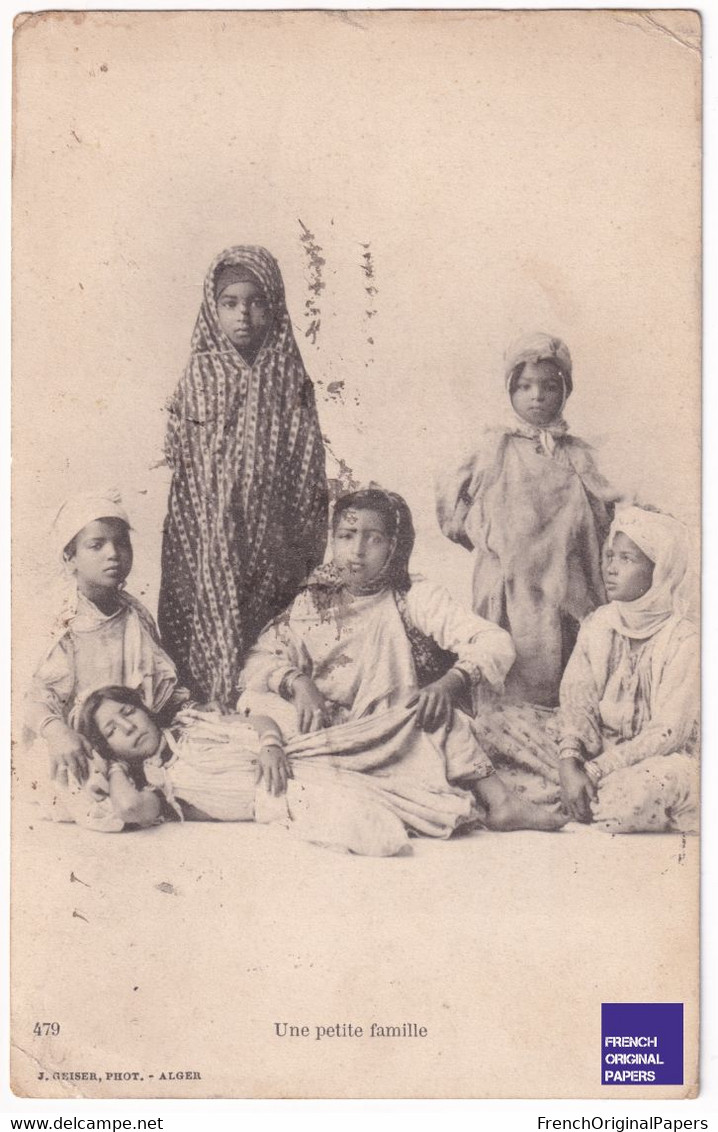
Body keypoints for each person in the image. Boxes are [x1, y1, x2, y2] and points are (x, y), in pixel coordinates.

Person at [239, 487, 564, 832]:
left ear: (395, 545)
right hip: (326, 730)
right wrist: (299, 682)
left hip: (391, 732)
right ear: (332, 540)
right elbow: (259, 658)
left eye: (374, 539)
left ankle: (503, 803)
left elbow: (494, 642)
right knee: (257, 704)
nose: (357, 552)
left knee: (438, 719)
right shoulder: (313, 601)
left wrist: (449, 683)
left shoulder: (413, 597)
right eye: (347, 536)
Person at [158, 245, 328, 708]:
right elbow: (183, 468)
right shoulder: (198, 376)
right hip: (206, 539)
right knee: (200, 638)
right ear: (213, 309)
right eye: (230, 303)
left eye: (256, 302)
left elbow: (307, 468)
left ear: (273, 305)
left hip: (273, 541)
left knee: (266, 642)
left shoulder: (290, 378)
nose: (244, 315)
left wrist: (293, 542)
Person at [472, 507, 699, 833]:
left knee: (652, 787)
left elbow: (668, 733)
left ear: (660, 570)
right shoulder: (601, 623)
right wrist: (569, 762)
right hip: (595, 749)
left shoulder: (684, 639)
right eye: (610, 556)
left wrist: (592, 772)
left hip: (653, 760)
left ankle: (563, 798)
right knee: (490, 724)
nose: (611, 568)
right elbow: (577, 702)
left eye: (627, 559)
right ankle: (567, 793)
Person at [76, 686, 480, 856]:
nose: (128, 728)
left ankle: (476, 775)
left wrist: (270, 746)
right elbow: (128, 808)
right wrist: (111, 767)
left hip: (300, 755)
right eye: (112, 731)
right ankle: (462, 797)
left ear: (145, 709)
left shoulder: (192, 723)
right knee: (378, 827)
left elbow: (260, 723)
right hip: (286, 800)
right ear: (110, 748)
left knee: (397, 730)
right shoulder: (160, 790)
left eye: (128, 712)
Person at [436, 332, 619, 706]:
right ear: (510, 390)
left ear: (565, 391)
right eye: (524, 386)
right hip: (509, 579)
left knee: (565, 656)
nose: (537, 396)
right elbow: (452, 497)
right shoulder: (493, 446)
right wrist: (482, 532)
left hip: (566, 580)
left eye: (549, 386)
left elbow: (607, 505)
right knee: (510, 652)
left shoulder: (576, 453)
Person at [25, 490, 189, 830]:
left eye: (121, 544)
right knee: (71, 776)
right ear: (70, 558)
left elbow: (159, 688)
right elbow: (35, 698)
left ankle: (144, 790)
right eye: (96, 545)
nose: (113, 553)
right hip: (82, 738)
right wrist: (59, 734)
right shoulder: (62, 621)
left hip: (130, 737)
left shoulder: (136, 615)